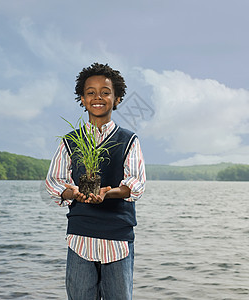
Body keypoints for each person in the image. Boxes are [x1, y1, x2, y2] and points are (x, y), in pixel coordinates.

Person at [45, 62, 145, 300]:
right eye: (90, 92)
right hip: (81, 236)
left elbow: (136, 183)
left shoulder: (128, 140)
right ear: (82, 98)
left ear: (117, 98)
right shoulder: (70, 141)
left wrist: (107, 193)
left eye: (105, 92)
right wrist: (73, 193)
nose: (97, 97)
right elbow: (54, 182)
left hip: (117, 237)